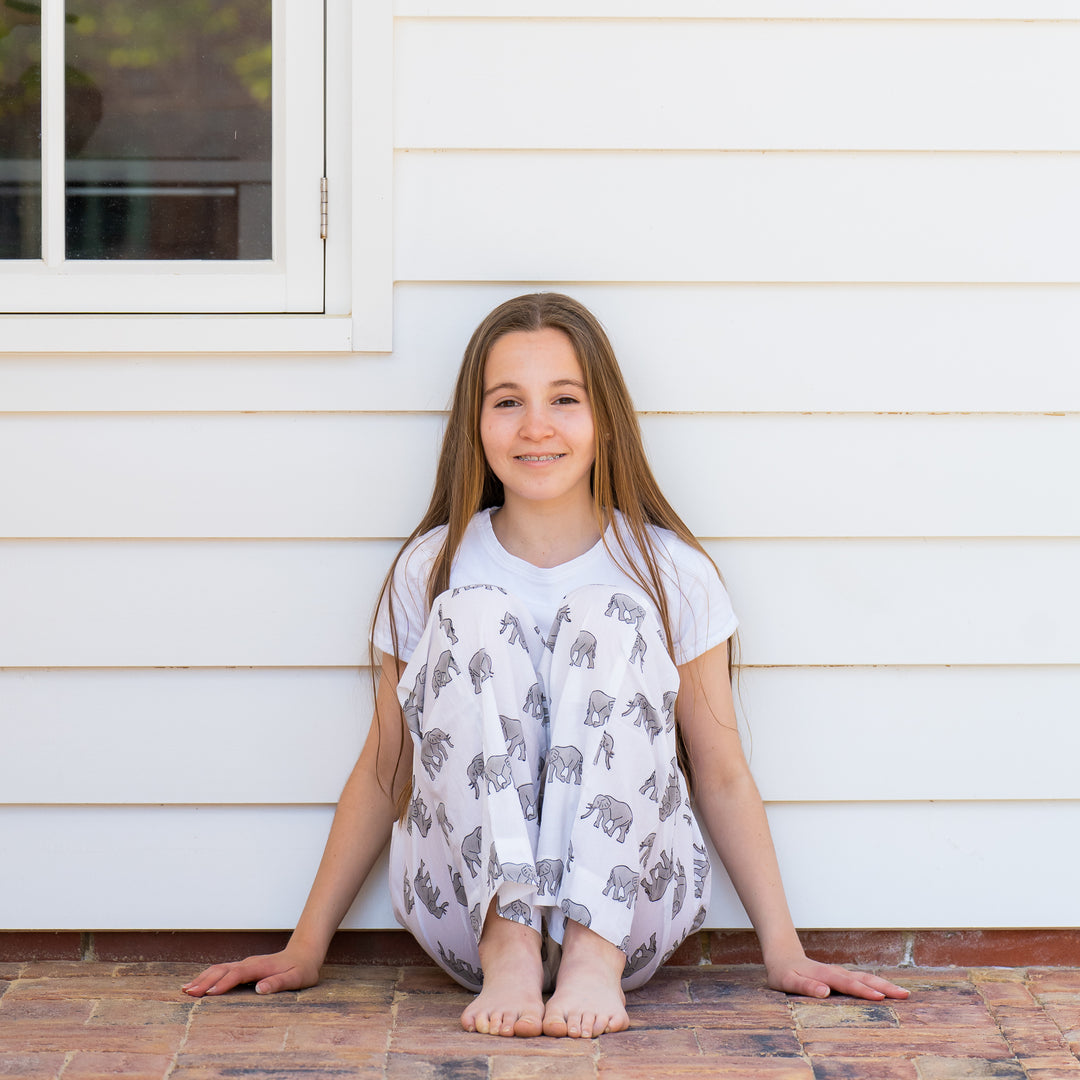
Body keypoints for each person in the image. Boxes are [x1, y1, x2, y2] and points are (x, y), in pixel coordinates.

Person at [182, 293, 908, 1037]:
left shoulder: (668, 571)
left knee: (609, 614)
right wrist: (307, 947)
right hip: (466, 919)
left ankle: (594, 955)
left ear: (605, 419)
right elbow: (386, 767)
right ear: (475, 420)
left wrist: (784, 953)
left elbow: (720, 771)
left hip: (635, 917)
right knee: (474, 615)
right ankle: (511, 945)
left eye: (564, 399)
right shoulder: (432, 569)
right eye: (508, 401)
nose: (536, 426)